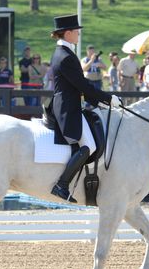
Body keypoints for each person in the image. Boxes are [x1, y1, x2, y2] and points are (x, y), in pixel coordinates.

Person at [46, 14, 120, 202]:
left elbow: (80, 86)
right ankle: (62, 185)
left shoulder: (64, 53)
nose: (79, 34)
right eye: (76, 31)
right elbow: (82, 85)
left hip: (69, 104)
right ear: (68, 32)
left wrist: (101, 102)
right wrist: (107, 98)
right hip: (67, 108)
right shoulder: (65, 57)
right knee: (88, 146)